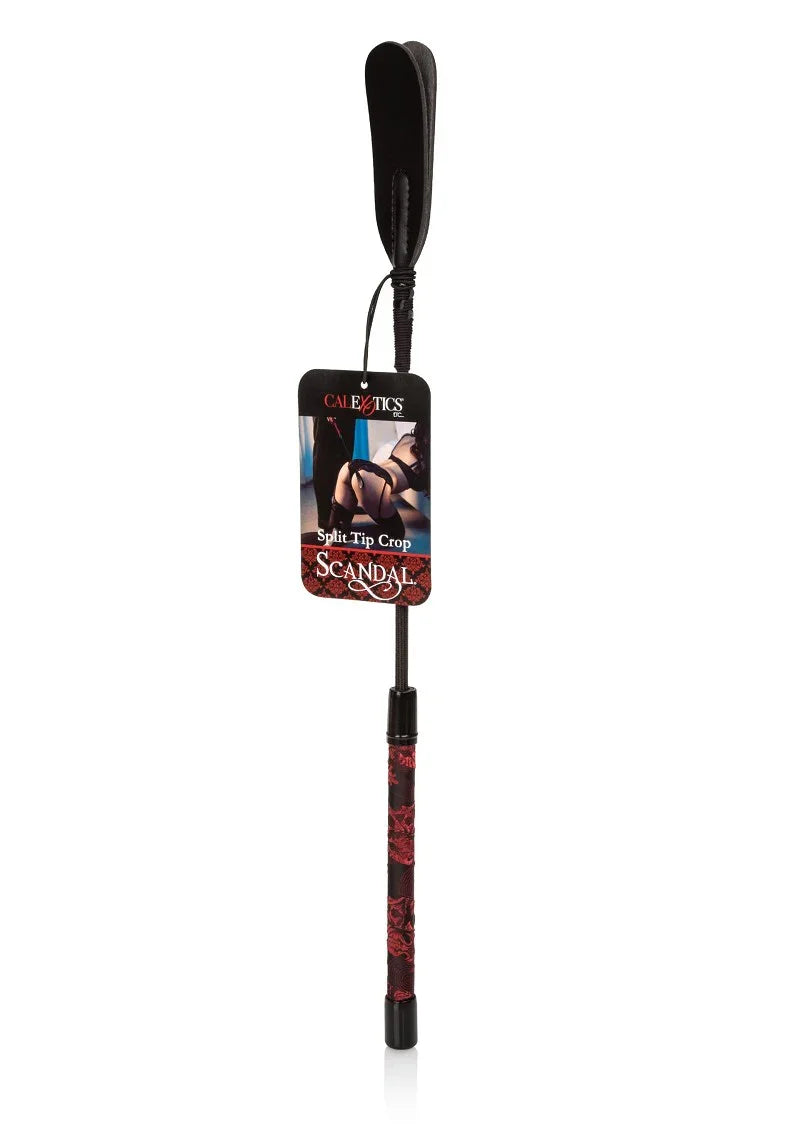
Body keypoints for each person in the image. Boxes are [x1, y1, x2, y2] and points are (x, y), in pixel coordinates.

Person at [327, 421, 429, 540]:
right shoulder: (427, 456)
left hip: (350, 467)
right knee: (396, 534)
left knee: (334, 530)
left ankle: (337, 532)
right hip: (370, 480)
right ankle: (347, 534)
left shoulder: (406, 438)